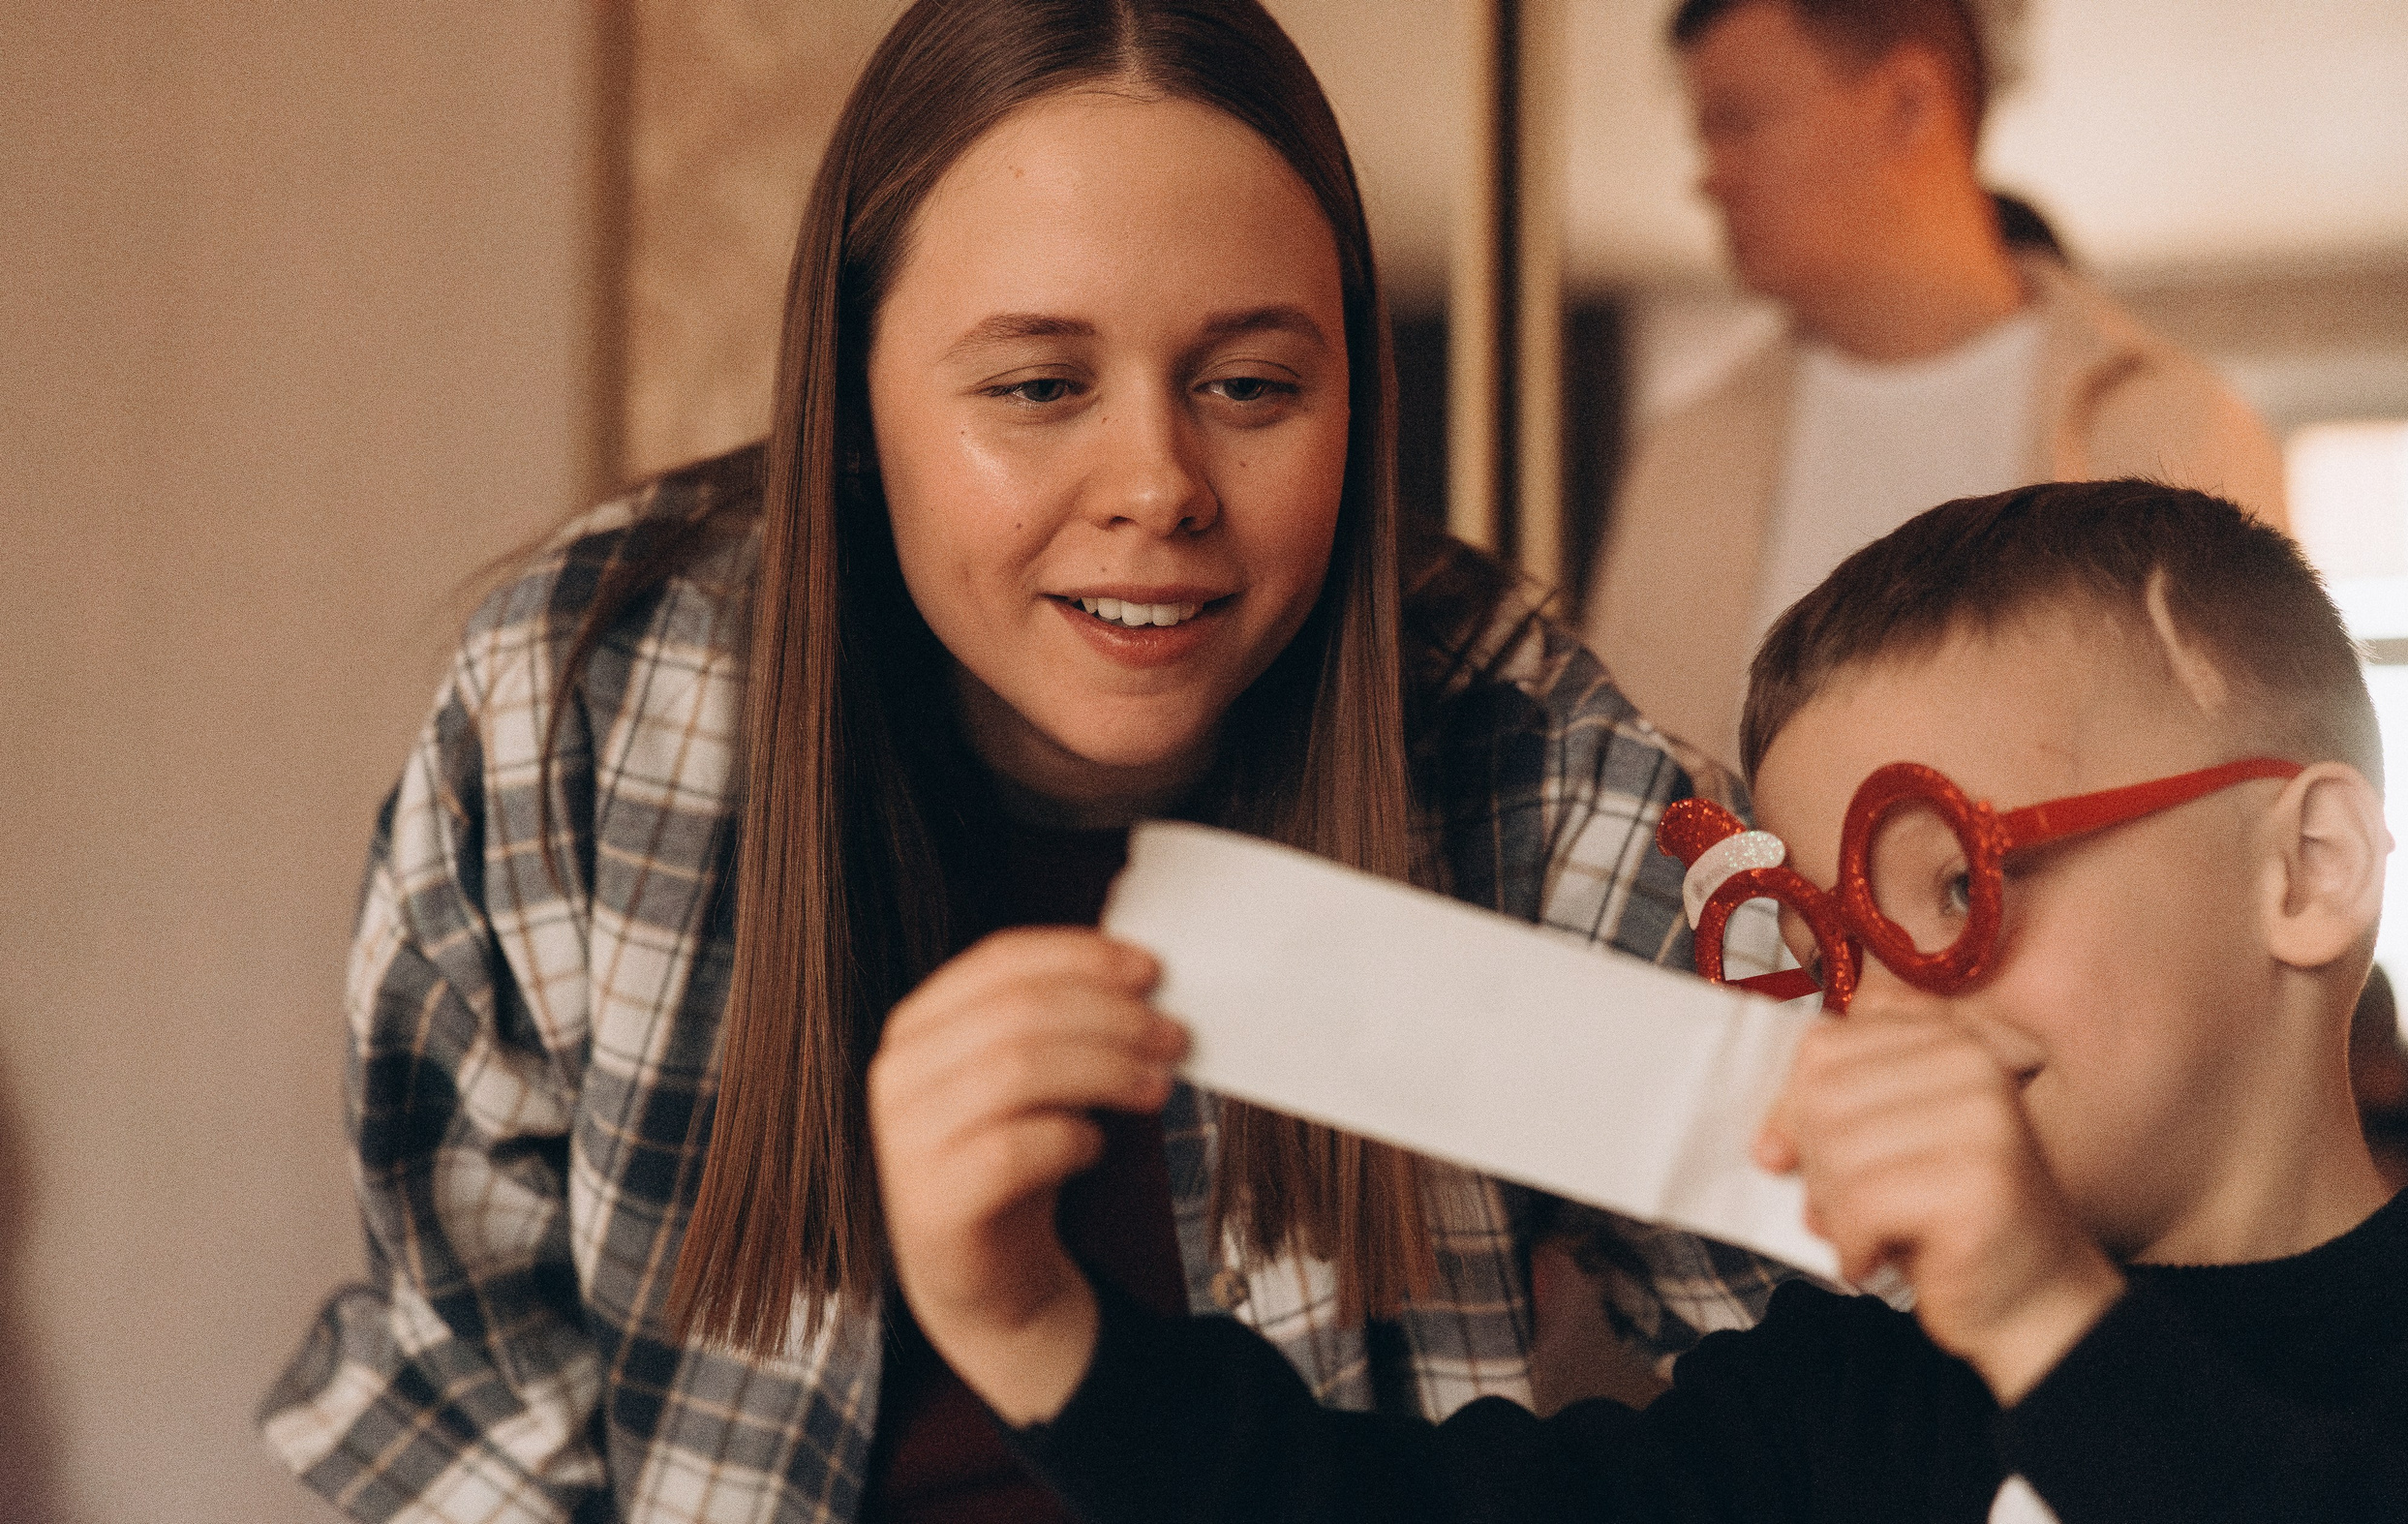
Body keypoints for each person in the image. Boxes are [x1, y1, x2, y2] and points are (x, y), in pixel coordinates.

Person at [259, 2, 1801, 1519]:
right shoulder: (581, 699)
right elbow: (469, 1385)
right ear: (858, 404)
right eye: (1039, 387)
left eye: (1252, 385)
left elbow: (1850, 1375)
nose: (1156, 485)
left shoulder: (1531, 769)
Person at [883, 479, 2408, 1521]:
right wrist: (1033, 1328)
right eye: (1821, 936)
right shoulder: (1854, 1383)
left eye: (1944, 883)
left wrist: (2053, 1317)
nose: (1868, 1009)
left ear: (2308, 868)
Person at [1582, 0, 2290, 765]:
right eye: (1705, 134)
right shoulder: (1684, 459)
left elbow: (2242, 806)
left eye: (1741, 122)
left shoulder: (2172, 430)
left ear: (1909, 105)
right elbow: (1613, 807)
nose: (1709, 178)